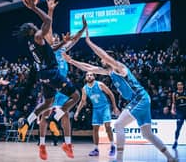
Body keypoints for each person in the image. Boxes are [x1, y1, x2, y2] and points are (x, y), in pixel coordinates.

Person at [62, 25, 177, 162]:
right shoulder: (109, 72)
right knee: (147, 134)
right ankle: (170, 158)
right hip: (140, 100)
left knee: (117, 125)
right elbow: (88, 67)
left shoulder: (119, 67)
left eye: (103, 60)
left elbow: (103, 55)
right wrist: (71, 61)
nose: (101, 60)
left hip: (140, 98)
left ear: (110, 59)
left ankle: (120, 159)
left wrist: (88, 41)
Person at [17, 0, 81, 159]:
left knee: (47, 102)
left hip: (43, 75)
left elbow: (51, 49)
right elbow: (48, 22)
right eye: (33, 25)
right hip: (52, 73)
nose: (35, 24)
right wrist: (34, 8)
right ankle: (55, 117)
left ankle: (27, 122)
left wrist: (62, 42)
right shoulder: (37, 36)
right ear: (31, 30)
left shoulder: (33, 43)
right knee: (75, 96)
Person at [34, 0, 87, 160]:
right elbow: (48, 28)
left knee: (65, 115)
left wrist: (83, 29)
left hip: (61, 85)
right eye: (54, 38)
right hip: (52, 81)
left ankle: (68, 144)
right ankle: (42, 145)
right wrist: (50, 10)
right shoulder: (49, 48)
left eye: (58, 38)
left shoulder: (63, 49)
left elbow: (75, 39)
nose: (56, 38)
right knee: (45, 114)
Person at [74, 71, 120, 157]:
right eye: (87, 75)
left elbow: (110, 94)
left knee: (107, 127)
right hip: (96, 109)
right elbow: (83, 101)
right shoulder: (84, 88)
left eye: (91, 75)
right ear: (85, 78)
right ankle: (96, 149)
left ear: (94, 77)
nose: (89, 76)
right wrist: (77, 112)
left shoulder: (99, 84)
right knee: (95, 129)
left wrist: (114, 107)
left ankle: (112, 146)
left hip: (105, 107)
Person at [171, 81, 186, 149]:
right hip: (180, 112)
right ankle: (175, 141)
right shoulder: (174, 94)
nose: (179, 86)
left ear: (183, 86)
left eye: (180, 85)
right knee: (178, 128)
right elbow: (173, 103)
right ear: (177, 86)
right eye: (178, 85)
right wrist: (172, 109)